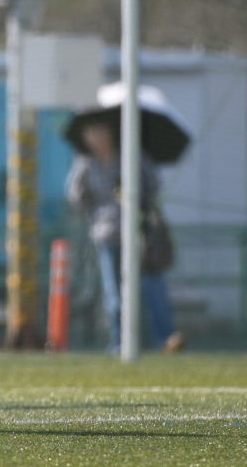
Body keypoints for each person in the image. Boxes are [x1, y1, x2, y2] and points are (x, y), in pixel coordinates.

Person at [65, 121, 185, 354]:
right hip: (107, 232)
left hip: (139, 231)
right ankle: (119, 341)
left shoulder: (132, 156)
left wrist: (133, 191)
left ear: (111, 132)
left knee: (152, 285)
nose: (97, 138)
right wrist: (95, 212)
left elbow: (154, 184)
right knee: (113, 291)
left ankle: (166, 339)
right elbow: (75, 195)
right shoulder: (86, 162)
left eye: (100, 132)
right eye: (92, 133)